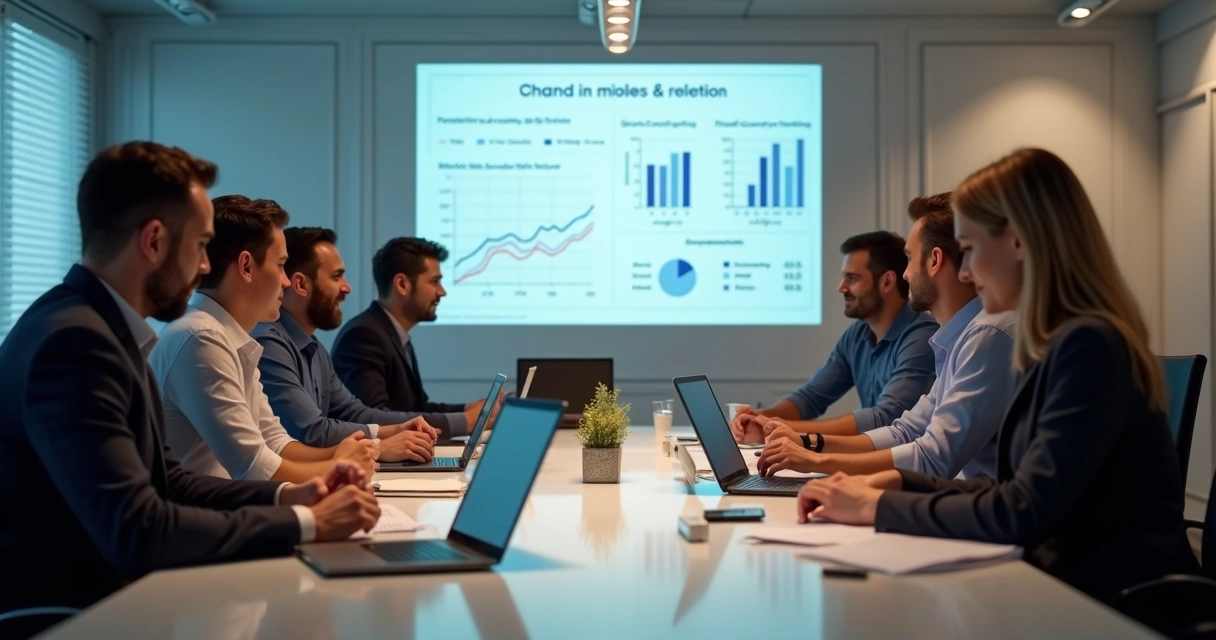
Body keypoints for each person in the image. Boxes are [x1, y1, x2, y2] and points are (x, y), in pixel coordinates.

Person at [795, 148, 1199, 599]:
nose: (964, 271)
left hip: (1112, 603)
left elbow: (1022, 510)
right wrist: (898, 481)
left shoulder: (1087, 344)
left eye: (968, 250)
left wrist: (880, 505)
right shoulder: (1056, 339)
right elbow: (1011, 488)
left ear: (1020, 242)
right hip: (1066, 584)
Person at [0, 142, 380, 620]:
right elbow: (138, 530)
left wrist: (292, 496)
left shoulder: (101, 326)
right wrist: (305, 523)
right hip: (76, 613)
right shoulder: (76, 343)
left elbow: (170, 482)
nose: (205, 266)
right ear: (154, 241)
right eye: (200, 245)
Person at [150, 196, 436, 483]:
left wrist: (363, 451)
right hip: (206, 520)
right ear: (247, 267)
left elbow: (275, 443)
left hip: (228, 511)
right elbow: (255, 468)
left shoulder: (224, 336)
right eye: (281, 265)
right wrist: (350, 463)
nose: (286, 281)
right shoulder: (201, 338)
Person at [756, 194, 1016, 479]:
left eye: (909, 258)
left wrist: (815, 460)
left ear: (934, 261)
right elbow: (906, 431)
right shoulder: (960, 338)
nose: (906, 274)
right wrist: (809, 444)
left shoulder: (987, 336)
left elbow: (933, 458)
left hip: (989, 513)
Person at [732, 231, 937, 439]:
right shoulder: (858, 334)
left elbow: (886, 418)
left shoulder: (922, 337)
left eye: (852, 278)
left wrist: (782, 428)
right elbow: (811, 397)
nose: (841, 288)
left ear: (887, 282)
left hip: (908, 468)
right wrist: (761, 416)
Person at [253, 227, 444, 450]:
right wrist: (381, 443)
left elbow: (353, 412)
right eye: (336, 276)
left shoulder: (314, 347)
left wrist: (398, 428)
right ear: (301, 285)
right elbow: (311, 431)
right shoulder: (269, 342)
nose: (347, 288)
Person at [331, 237, 485, 435]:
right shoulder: (363, 336)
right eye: (434, 281)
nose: (442, 292)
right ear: (402, 284)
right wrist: (465, 421)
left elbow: (417, 408)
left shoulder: (392, 335)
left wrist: (468, 409)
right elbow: (374, 416)